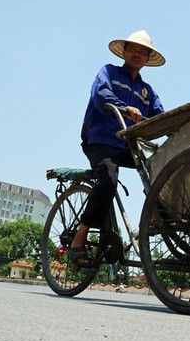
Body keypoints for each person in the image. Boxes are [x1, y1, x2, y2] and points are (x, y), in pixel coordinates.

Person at [68, 30, 166, 270]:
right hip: (101, 140)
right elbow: (101, 95)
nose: (138, 54)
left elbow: (161, 116)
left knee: (162, 170)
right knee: (109, 181)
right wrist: (125, 108)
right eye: (134, 49)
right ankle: (79, 238)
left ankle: (156, 217)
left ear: (148, 58)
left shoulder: (148, 91)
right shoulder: (109, 72)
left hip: (128, 147)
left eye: (144, 52)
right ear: (124, 51)